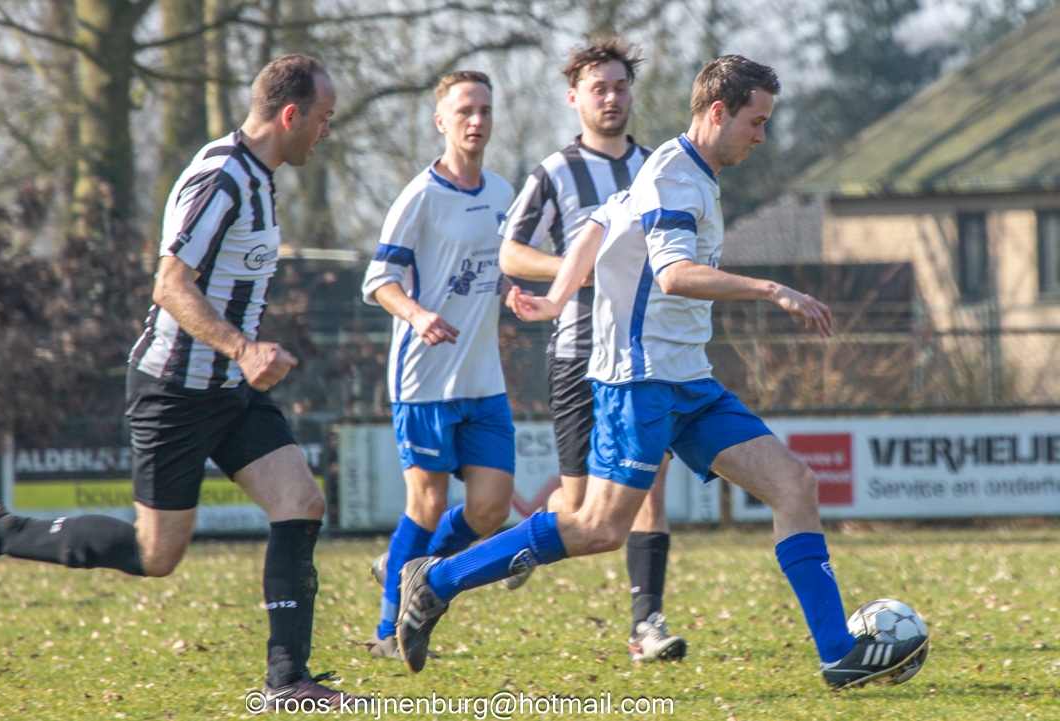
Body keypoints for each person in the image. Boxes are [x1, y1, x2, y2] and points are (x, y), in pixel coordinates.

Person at [395, 55, 928, 690]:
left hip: (690, 382)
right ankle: (436, 579)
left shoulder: (677, 167)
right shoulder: (676, 176)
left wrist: (559, 298)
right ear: (718, 112)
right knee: (597, 528)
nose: (762, 136)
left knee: (795, 486)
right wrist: (770, 289)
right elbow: (673, 274)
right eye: (756, 122)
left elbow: (600, 223)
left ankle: (838, 654)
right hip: (638, 384)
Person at [0, 54, 364, 707]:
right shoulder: (221, 179)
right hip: (176, 392)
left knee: (301, 501)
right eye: (324, 118)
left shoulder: (260, 178)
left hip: (231, 390)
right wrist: (244, 347)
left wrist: (243, 358)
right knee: (155, 554)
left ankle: (286, 681)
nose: (327, 132)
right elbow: (170, 285)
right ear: (291, 115)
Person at [498, 37, 685, 663]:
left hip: (645, 354)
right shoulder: (553, 172)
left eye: (620, 87)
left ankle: (646, 626)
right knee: (579, 508)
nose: (611, 98)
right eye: (598, 88)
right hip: (578, 352)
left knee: (648, 489)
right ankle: (526, 542)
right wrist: (578, 269)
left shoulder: (659, 167)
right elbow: (510, 252)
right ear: (574, 98)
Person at [360, 70, 524, 660]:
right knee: (426, 505)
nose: (476, 120)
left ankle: (402, 562)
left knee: (491, 508)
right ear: (441, 121)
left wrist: (512, 291)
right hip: (424, 378)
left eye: (484, 110)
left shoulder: (504, 193)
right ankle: (388, 633)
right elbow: (378, 280)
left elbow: (496, 268)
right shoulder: (419, 197)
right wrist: (416, 313)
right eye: (464, 111)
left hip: (483, 379)